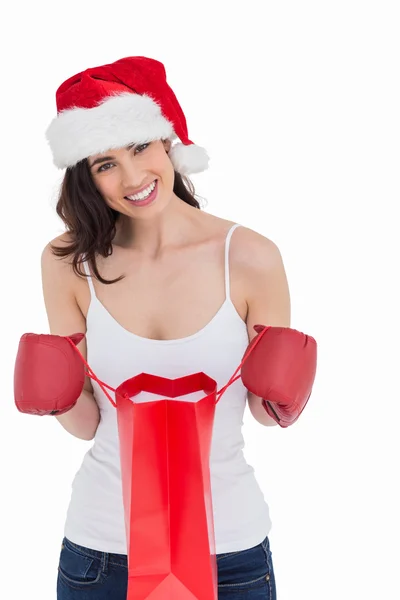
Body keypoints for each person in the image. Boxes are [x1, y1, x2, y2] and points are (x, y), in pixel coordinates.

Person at [39, 55, 293, 600]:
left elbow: (263, 416)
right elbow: (88, 424)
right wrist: (57, 400)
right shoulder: (68, 262)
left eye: (139, 148)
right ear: (85, 176)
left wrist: (283, 400)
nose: (132, 178)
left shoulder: (250, 257)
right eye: (104, 164)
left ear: (169, 141)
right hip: (99, 551)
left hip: (229, 552)